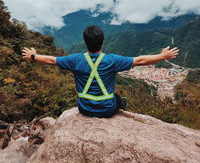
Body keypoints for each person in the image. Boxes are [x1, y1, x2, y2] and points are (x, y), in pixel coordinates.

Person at [22, 25, 179, 118]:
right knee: (119, 98)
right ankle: (122, 106)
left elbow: (52, 60)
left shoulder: (75, 59)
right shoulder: (112, 60)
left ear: (85, 42)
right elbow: (139, 60)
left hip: (84, 108)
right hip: (107, 109)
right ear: (103, 42)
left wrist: (33, 55)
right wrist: (163, 56)